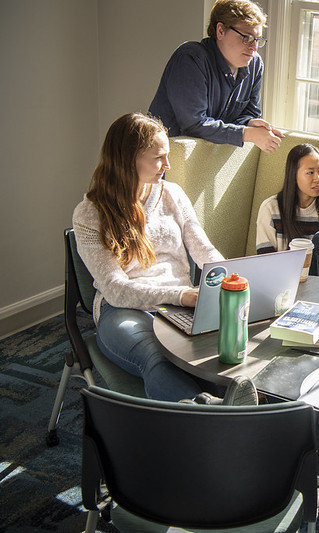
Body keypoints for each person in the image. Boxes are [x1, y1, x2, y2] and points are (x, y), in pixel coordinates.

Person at [72, 112, 256, 405]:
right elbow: (116, 289)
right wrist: (182, 295)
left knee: (223, 355)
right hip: (123, 310)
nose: (167, 165)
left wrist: (230, 278)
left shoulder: (172, 194)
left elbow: (204, 250)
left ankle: (219, 411)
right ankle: (216, 418)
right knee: (157, 358)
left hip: (179, 305)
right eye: (159, 157)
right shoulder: (90, 213)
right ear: (128, 158)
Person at [148, 0, 284, 154]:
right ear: (220, 31)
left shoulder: (255, 64)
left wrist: (250, 123)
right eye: (246, 38)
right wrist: (247, 133)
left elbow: (249, 113)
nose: (253, 47)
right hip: (162, 159)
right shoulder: (191, 58)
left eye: (258, 40)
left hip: (204, 160)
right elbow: (193, 125)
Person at [255, 143, 319, 279]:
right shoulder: (270, 209)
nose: (318, 179)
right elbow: (265, 262)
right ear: (293, 175)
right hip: (283, 284)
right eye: (310, 172)